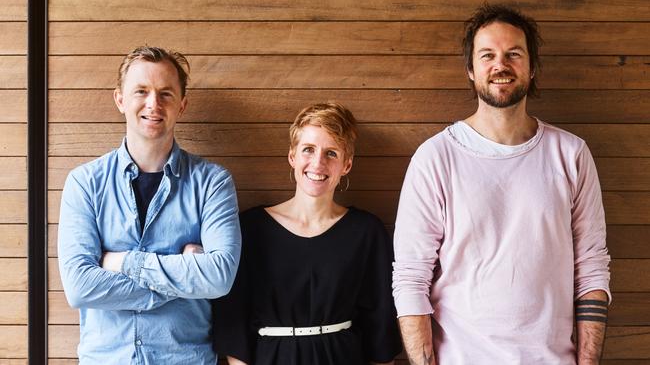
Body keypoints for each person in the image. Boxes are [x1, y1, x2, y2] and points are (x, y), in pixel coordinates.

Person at [392, 4, 611, 365]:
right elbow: (411, 279)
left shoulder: (571, 154)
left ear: (532, 66)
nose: (500, 65)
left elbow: (591, 268)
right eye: (488, 55)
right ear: (470, 69)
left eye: (514, 54)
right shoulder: (435, 158)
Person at [57, 46, 241, 364]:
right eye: (141, 91)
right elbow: (79, 286)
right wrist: (181, 280)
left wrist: (125, 262)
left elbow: (219, 277)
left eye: (166, 93)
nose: (153, 104)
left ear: (182, 104)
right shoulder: (84, 183)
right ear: (120, 99)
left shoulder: (213, 183)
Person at [211, 103, 402, 364]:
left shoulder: (367, 233)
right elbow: (235, 327)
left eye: (331, 153)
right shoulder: (251, 228)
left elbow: (380, 328)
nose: (318, 163)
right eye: (308, 150)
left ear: (346, 164)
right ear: (292, 156)